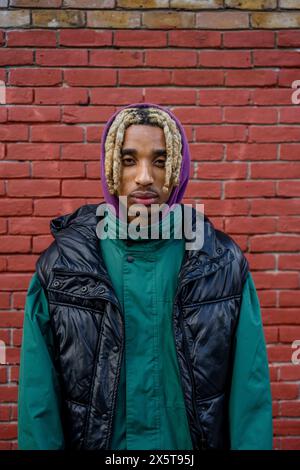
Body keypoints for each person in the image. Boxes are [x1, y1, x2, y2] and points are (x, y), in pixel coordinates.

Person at [17, 103, 273, 450]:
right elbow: (38, 403)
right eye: (128, 160)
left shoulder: (221, 263)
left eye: (160, 160)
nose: (144, 177)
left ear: (178, 169)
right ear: (110, 167)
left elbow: (250, 396)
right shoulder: (62, 266)